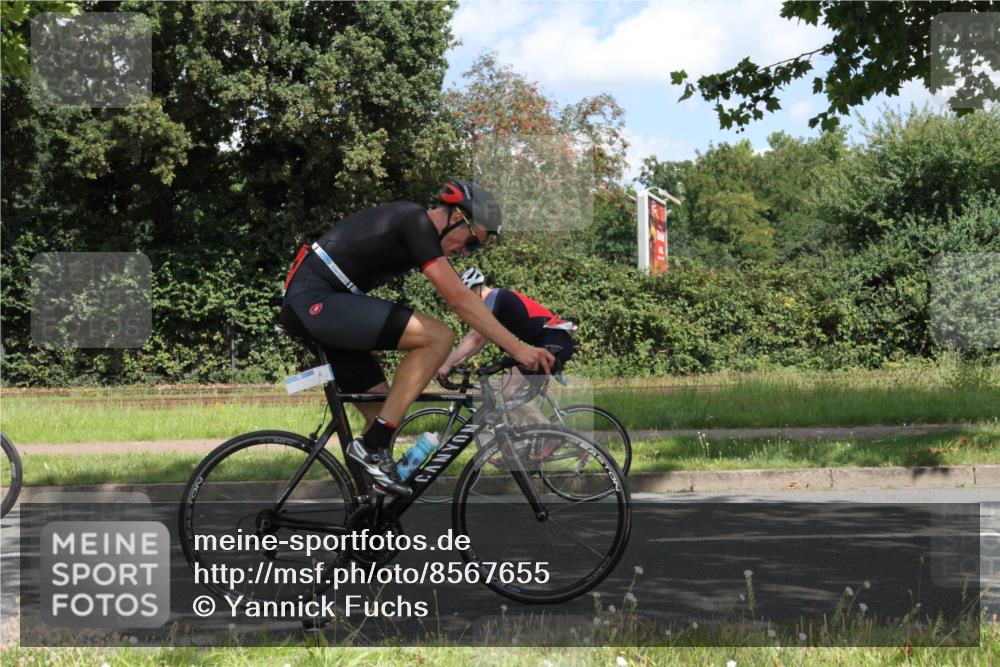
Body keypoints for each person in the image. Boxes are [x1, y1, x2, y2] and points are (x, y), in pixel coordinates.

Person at [279, 180, 555, 496]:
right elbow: (460, 299)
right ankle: (373, 447)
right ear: (456, 218)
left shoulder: (418, 233)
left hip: (325, 304)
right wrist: (519, 349)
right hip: (315, 299)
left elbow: (463, 297)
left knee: (385, 411)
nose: (467, 252)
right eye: (472, 242)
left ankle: (369, 519)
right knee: (439, 336)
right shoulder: (415, 221)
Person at [436, 267, 577, 425]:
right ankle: (519, 446)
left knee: (508, 387)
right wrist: (455, 363)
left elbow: (476, 337)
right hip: (553, 340)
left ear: (475, 291)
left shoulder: (495, 296)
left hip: (555, 341)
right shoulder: (496, 303)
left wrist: (447, 363)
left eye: (466, 297)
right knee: (510, 395)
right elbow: (479, 343)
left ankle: (551, 432)